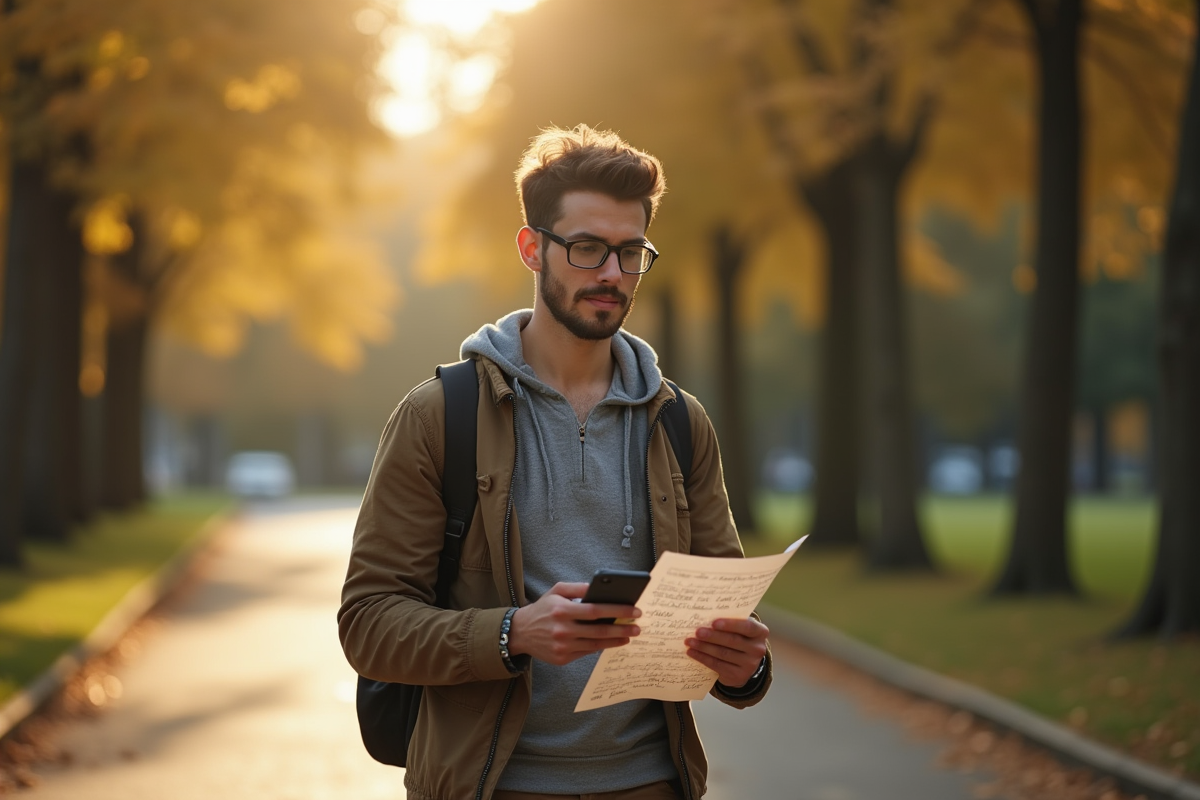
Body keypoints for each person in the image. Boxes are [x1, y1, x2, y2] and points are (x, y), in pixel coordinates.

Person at [339, 124, 772, 800]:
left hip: (652, 786)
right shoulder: (439, 415)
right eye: (588, 248)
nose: (610, 273)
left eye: (631, 253)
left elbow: (715, 624)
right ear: (532, 248)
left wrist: (742, 667)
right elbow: (368, 624)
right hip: (489, 787)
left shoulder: (680, 423)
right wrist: (513, 633)